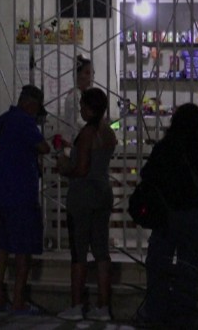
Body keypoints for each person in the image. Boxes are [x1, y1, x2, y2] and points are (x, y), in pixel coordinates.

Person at [137, 103, 198, 327]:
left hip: (167, 215)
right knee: (189, 267)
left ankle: (156, 311)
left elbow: (148, 176)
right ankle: (184, 314)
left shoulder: (165, 148)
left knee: (158, 264)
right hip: (195, 216)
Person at [0, 85, 51, 314]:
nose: (36, 114)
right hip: (23, 193)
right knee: (23, 250)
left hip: (4, 192)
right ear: (31, 104)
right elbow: (44, 147)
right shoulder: (25, 122)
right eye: (37, 109)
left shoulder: (4, 120)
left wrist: (7, 152)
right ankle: (18, 300)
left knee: (3, 246)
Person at [55, 88, 117, 321]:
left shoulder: (87, 133)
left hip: (82, 197)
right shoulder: (108, 132)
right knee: (101, 253)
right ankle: (103, 307)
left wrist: (63, 164)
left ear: (90, 109)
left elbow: (81, 169)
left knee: (79, 253)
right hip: (103, 193)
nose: (80, 109)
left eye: (82, 105)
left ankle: (76, 306)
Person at [58, 55, 95, 145]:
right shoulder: (74, 96)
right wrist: (97, 131)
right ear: (77, 75)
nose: (91, 77)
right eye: (87, 73)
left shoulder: (84, 95)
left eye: (93, 73)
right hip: (73, 142)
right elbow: (78, 121)